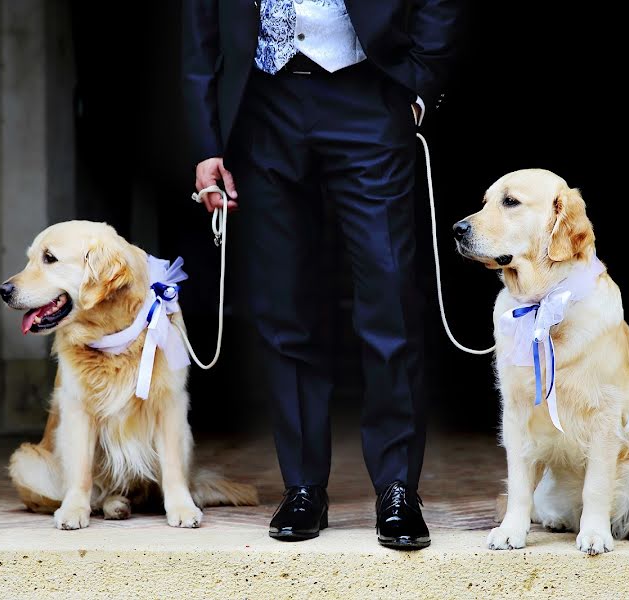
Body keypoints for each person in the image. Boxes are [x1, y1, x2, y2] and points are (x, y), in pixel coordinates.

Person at [182, 0, 457, 549]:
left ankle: (398, 487)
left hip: (369, 92)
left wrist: (420, 87)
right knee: (285, 304)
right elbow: (199, 27)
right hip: (262, 104)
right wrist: (207, 140)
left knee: (390, 294)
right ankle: (303, 486)